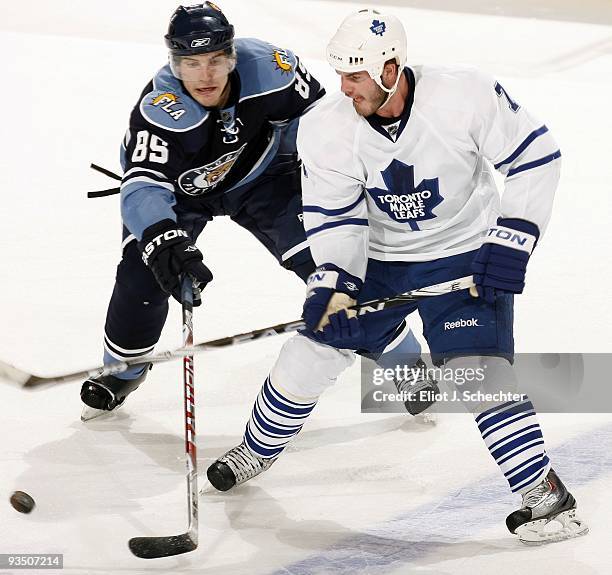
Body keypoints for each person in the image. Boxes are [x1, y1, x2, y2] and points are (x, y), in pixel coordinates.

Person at [207, 8, 588, 544]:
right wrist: (333, 279)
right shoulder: (325, 126)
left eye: (356, 75)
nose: (344, 87)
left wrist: (512, 240)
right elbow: (334, 216)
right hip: (378, 260)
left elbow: (535, 157)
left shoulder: (466, 95)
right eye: (340, 74)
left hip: (464, 254)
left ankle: (546, 499)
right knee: (312, 348)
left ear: (391, 68)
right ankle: (256, 449)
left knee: (479, 376)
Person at [80, 3, 433, 421]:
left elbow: (322, 122)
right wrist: (162, 238)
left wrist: (350, 178)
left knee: (333, 263)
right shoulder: (159, 109)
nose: (205, 75)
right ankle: (123, 370)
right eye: (191, 63)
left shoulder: (271, 68)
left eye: (214, 60)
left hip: (262, 178)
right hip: (180, 194)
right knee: (143, 274)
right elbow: (140, 186)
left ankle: (406, 363)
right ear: (174, 63)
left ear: (231, 54)